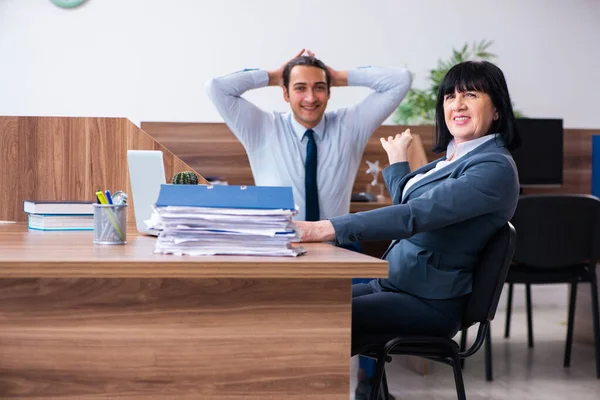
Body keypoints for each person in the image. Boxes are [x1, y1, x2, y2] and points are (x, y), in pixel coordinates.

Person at [294, 60, 521, 354]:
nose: (458, 105)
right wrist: (398, 163)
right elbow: (414, 208)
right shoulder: (454, 158)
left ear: (497, 109)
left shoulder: (493, 168)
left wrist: (324, 227)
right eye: (450, 96)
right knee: (304, 305)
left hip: (429, 301)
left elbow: (416, 215)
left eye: (471, 95)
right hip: (396, 284)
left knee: (320, 319)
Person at [206, 49, 412, 221]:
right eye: (300, 88)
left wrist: (339, 76)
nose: (311, 98)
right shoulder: (263, 128)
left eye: (319, 88)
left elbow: (401, 80)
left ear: (330, 92)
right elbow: (217, 88)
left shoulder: (350, 125)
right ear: (285, 93)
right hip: (277, 249)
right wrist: (273, 76)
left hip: (335, 249)